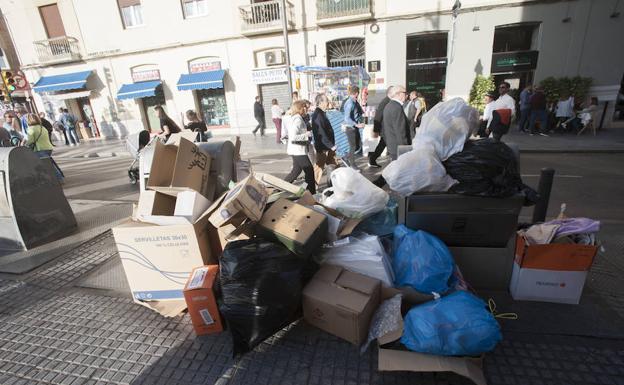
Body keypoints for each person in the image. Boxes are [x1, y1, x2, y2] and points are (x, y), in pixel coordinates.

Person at [283, 100, 315, 194]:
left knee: (296, 171)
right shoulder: (297, 119)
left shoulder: (297, 118)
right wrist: (307, 134)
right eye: (304, 107)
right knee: (309, 171)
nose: (306, 109)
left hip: (296, 150)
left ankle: (281, 187)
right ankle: (311, 193)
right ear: (300, 108)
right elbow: (293, 137)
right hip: (298, 151)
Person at [23, 113, 63, 181]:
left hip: (40, 149)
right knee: (49, 163)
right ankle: (55, 178)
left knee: (48, 165)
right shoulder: (42, 127)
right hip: (48, 148)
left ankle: (59, 178)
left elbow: (30, 141)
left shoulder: (31, 129)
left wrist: (24, 145)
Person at [311, 94, 337, 184]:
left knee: (333, 165)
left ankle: (333, 184)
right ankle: (310, 187)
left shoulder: (321, 113)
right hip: (323, 147)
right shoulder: (318, 115)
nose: (328, 102)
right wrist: (331, 145)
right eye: (326, 101)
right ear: (321, 102)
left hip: (327, 147)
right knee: (318, 169)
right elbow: (321, 133)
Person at [382, 85, 411, 161]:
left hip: (393, 146)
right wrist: (405, 149)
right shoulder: (396, 107)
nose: (407, 95)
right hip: (399, 148)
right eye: (405, 93)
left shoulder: (389, 106)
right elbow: (400, 131)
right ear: (399, 94)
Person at [368, 87, 392, 168]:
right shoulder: (385, 102)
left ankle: (372, 159)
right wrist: (376, 130)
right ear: (390, 92)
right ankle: (372, 159)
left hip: (386, 129)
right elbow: (378, 116)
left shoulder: (388, 101)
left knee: (382, 145)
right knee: (383, 145)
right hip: (385, 129)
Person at [342, 86, 364, 168]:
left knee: (357, 145)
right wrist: (356, 124)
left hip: (354, 127)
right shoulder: (350, 103)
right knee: (353, 146)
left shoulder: (354, 101)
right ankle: (353, 165)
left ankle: (346, 157)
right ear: (357, 93)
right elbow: (347, 118)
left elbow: (359, 112)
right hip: (350, 128)